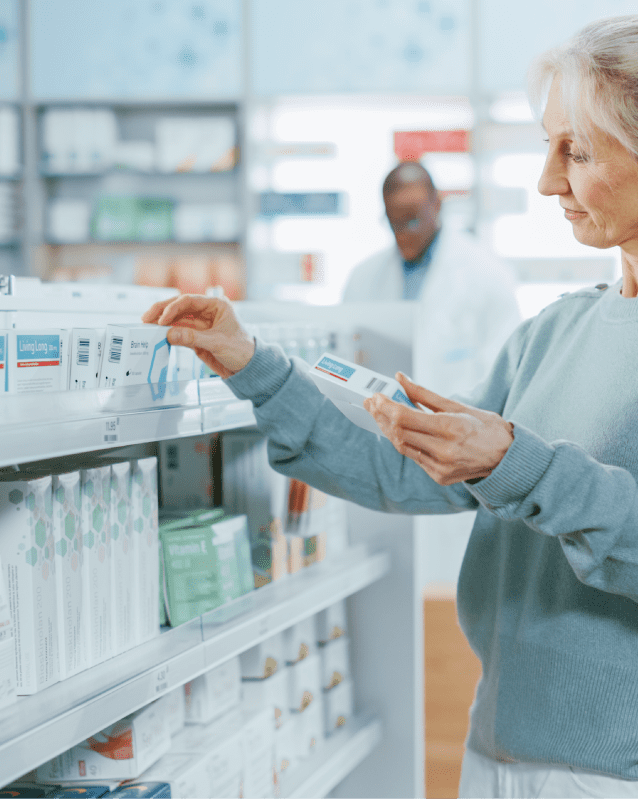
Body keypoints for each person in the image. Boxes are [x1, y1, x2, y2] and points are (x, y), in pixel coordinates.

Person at [144, 16, 638, 798]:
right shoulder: (554, 333)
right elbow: (414, 470)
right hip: (498, 743)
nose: (547, 181)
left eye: (573, 150)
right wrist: (258, 368)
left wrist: (517, 463)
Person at [343, 161, 522, 399]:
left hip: (459, 426)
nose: (404, 232)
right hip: (381, 424)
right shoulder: (363, 278)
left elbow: (504, 374)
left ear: (436, 205)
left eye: (413, 220)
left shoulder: (487, 274)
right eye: (394, 223)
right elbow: (346, 359)